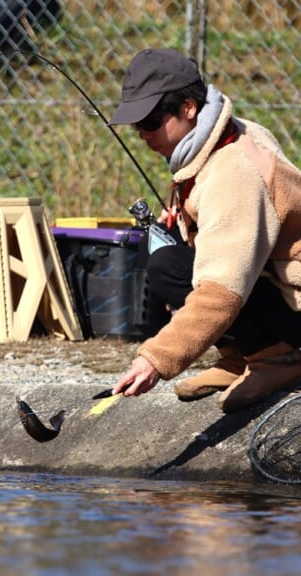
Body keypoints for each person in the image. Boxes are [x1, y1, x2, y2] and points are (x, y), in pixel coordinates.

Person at [108, 47, 301, 412]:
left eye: (151, 121)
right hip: (275, 283)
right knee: (166, 249)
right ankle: (240, 356)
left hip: (294, 303)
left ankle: (278, 358)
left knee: (170, 267)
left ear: (188, 108)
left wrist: (157, 359)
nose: (143, 134)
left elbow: (221, 291)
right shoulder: (225, 133)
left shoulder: (233, 171)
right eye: (136, 125)